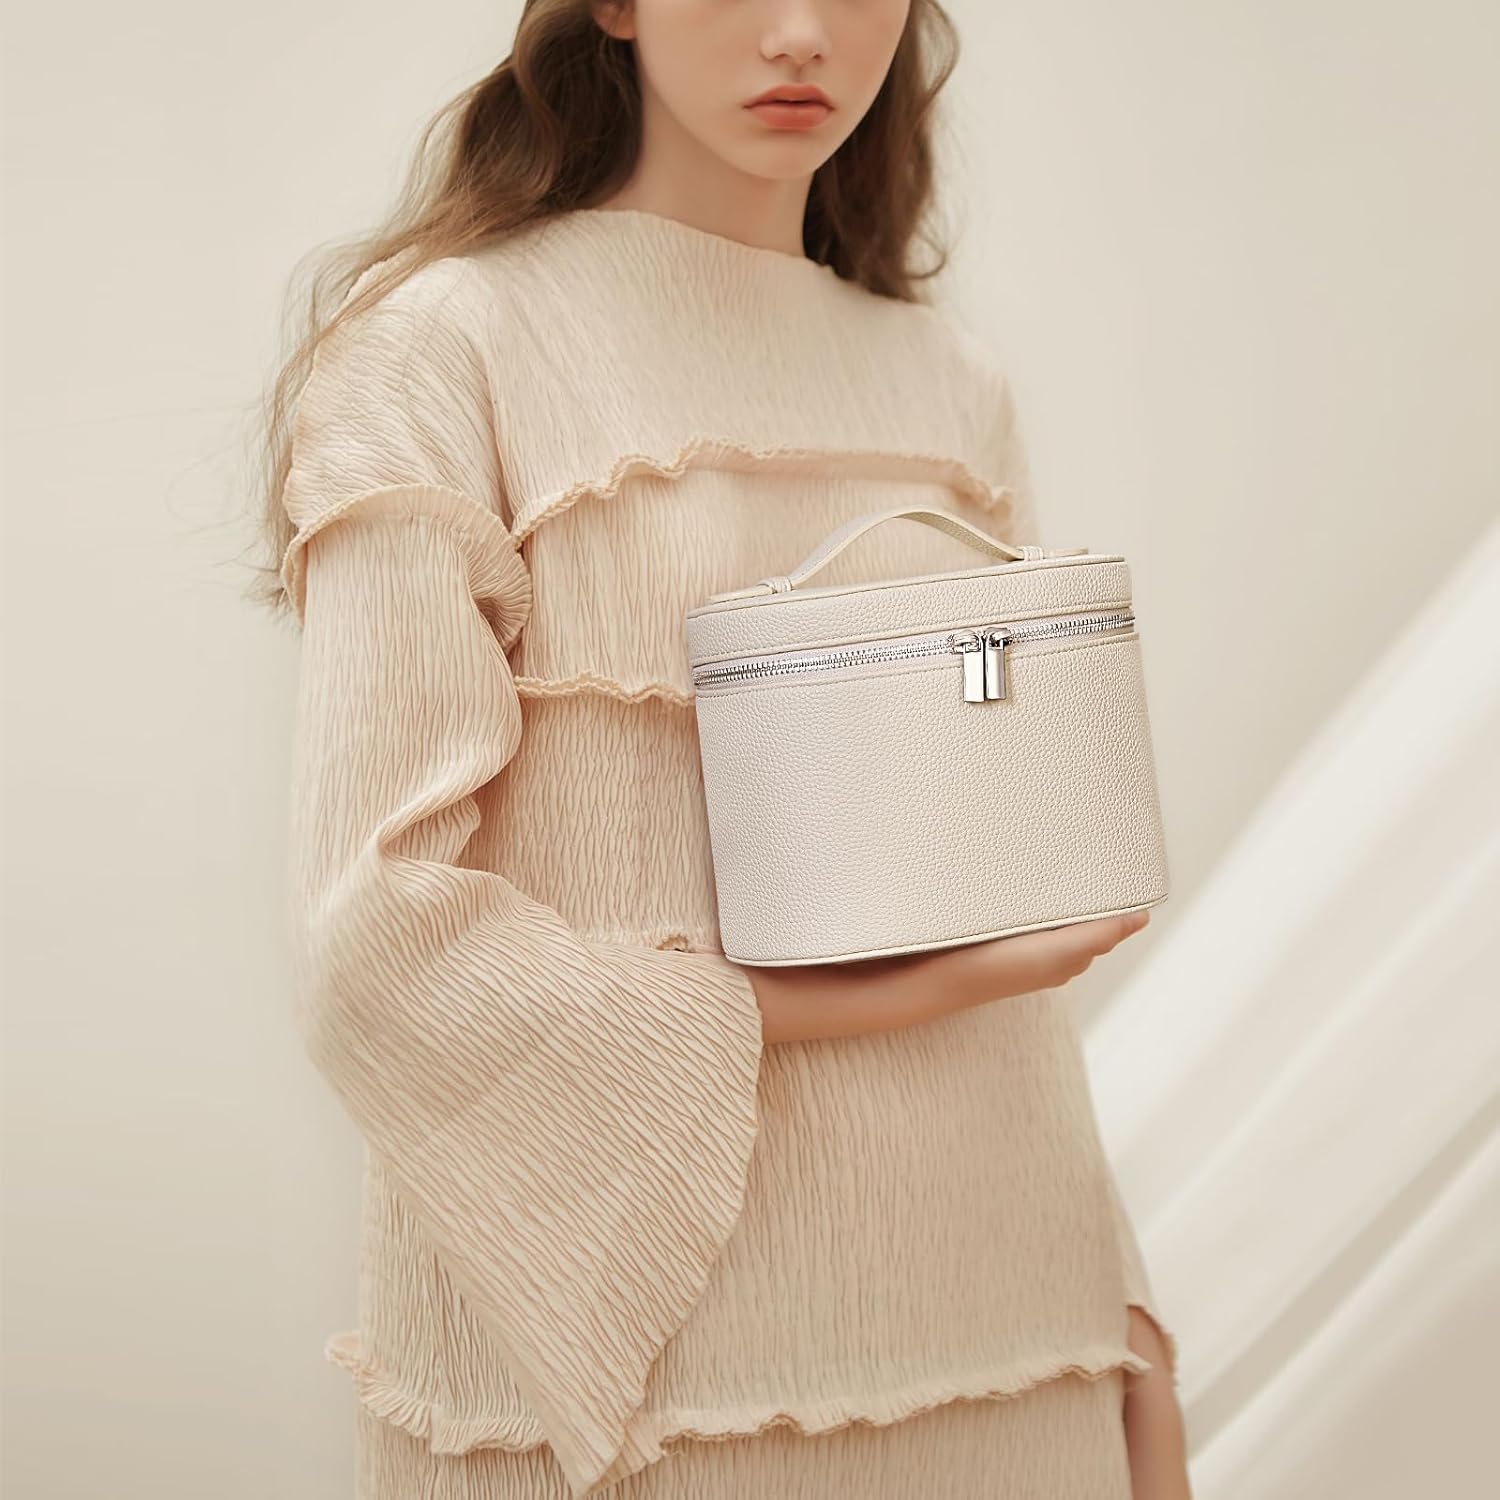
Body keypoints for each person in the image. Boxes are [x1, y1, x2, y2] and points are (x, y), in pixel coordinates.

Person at [254, 2, 1190, 1496]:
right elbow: (376, 952)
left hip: (1015, 1316)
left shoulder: (949, 380)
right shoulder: (441, 348)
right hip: (668, 1369)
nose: (801, 32)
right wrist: (913, 989)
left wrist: (1123, 1311)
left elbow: (997, 885)